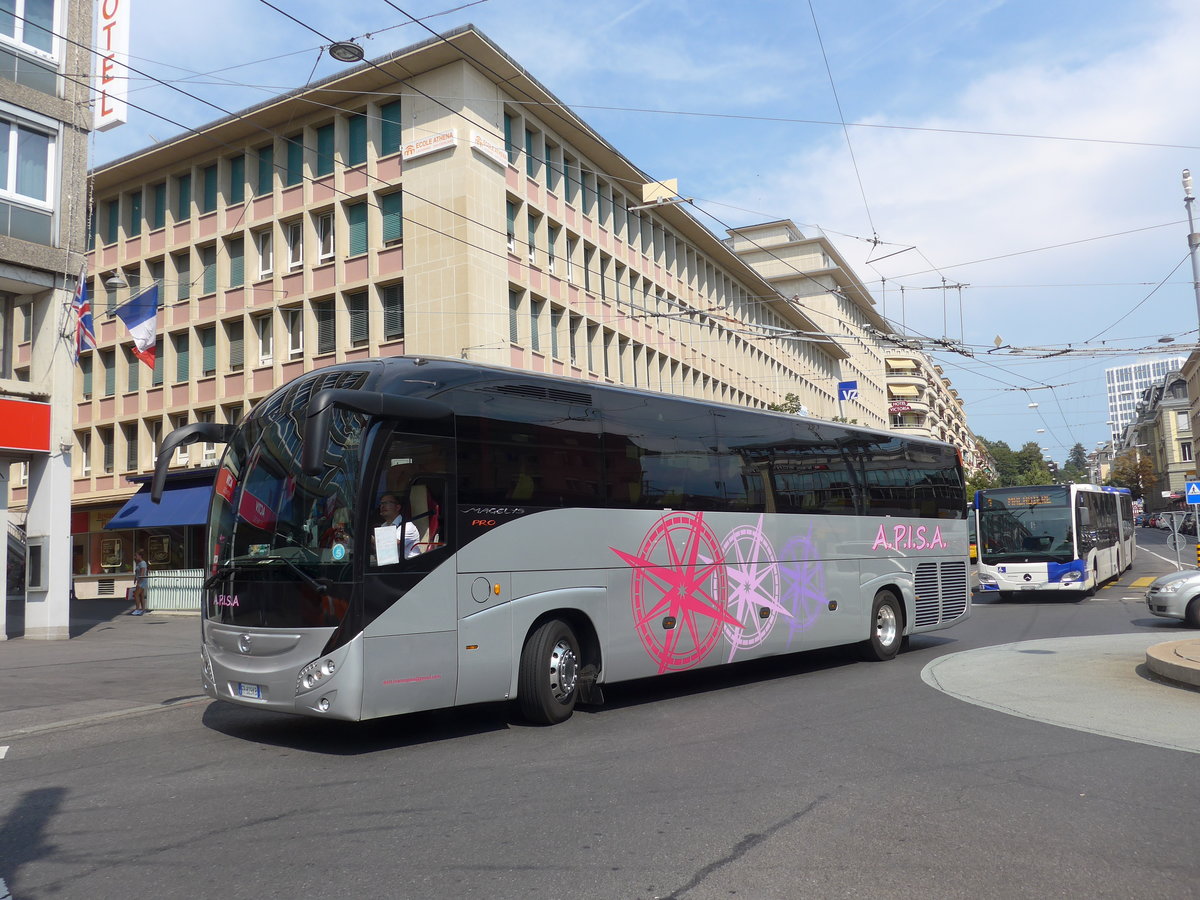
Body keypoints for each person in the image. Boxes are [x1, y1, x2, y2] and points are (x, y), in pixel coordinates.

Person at [378, 493, 420, 559]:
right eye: (381, 503)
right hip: (391, 564)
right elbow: (380, 550)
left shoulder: (407, 526)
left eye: (387, 503)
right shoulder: (383, 526)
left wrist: (370, 539)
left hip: (409, 566)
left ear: (397, 507)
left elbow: (390, 545)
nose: (382, 506)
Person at [131, 550, 149, 616]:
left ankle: (137, 609)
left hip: (142, 581)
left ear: (140, 556)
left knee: (136, 594)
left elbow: (142, 573)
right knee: (141, 595)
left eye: (136, 555)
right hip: (140, 580)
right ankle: (143, 609)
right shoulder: (138, 563)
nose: (135, 557)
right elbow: (137, 572)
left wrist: (139, 581)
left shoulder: (143, 563)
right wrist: (135, 579)